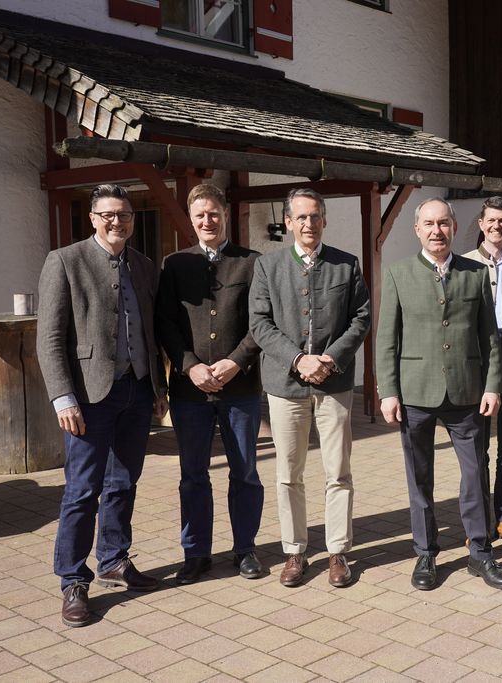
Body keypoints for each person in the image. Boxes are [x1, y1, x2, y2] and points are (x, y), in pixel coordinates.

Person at [37, 184, 168, 628]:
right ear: (92, 218)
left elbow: (151, 333)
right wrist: (62, 397)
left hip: (135, 390)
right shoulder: (65, 261)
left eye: (125, 214)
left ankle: (114, 559)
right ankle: (73, 580)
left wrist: (158, 388)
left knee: (124, 481)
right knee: (81, 491)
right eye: (109, 214)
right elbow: (50, 338)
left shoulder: (145, 266)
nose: (118, 222)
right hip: (88, 398)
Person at [375, 197, 502, 591]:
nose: (437, 230)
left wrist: (493, 385)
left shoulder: (475, 273)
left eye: (443, 223)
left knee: (475, 475)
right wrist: (388, 392)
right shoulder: (399, 272)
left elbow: (490, 337)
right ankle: (425, 553)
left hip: (467, 391)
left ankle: (480, 552)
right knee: (419, 477)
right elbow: (387, 339)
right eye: (429, 224)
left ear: (455, 228)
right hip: (415, 392)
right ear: (417, 229)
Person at [249, 188, 370, 588]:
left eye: (315, 216)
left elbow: (361, 318)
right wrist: (299, 359)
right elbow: (260, 324)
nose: (308, 223)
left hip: (334, 384)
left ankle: (338, 551)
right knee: (288, 473)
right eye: (300, 217)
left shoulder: (346, 265)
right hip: (286, 385)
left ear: (324, 220)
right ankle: (295, 551)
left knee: (338, 471)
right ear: (288, 222)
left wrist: (330, 359)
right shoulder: (268, 267)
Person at [156, 183, 264, 585]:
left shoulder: (251, 263)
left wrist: (235, 363)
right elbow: (164, 322)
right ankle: (196, 552)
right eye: (200, 214)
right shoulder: (175, 264)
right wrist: (188, 366)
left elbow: (261, 324)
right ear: (191, 218)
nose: (207, 221)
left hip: (240, 389)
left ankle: (245, 549)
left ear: (225, 215)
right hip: (190, 391)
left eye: (214, 213)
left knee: (246, 472)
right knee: (193, 475)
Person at [462, 196, 502, 549]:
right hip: (477, 367)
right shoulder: (465, 265)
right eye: (491, 220)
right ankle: (480, 521)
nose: (497, 226)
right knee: (476, 451)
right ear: (481, 223)